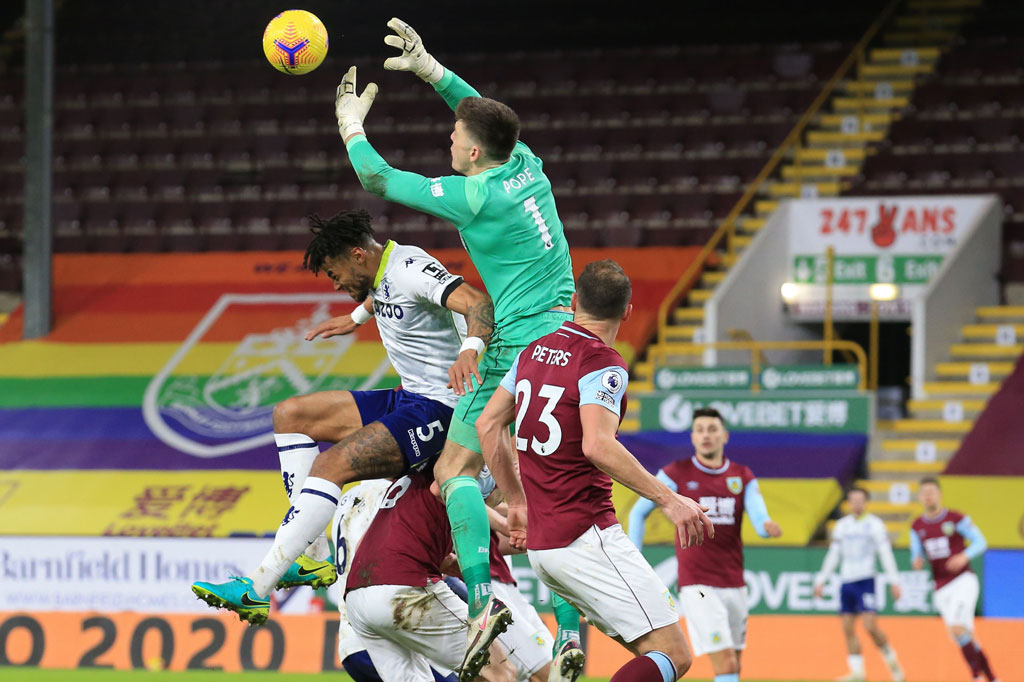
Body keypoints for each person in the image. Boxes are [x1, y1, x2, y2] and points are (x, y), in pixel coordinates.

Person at [334, 18, 582, 679]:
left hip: (518, 343)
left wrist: (348, 125)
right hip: (569, 338)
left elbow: (381, 181)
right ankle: (573, 631)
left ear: (473, 154)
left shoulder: (475, 196)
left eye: (454, 137)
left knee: (453, 475)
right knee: (541, 486)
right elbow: (484, 115)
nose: (449, 135)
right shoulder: (527, 165)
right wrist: (429, 68)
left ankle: (479, 604)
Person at [192, 209, 494, 625]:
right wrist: (354, 318)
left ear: (357, 254)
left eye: (335, 274)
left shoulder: (408, 267)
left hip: (443, 409)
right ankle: (313, 557)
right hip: (409, 397)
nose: (335, 285)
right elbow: (384, 293)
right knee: (291, 413)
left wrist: (470, 350)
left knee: (330, 464)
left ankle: (257, 588)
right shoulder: (384, 270)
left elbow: (477, 302)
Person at [478, 260, 714, 682]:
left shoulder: (531, 352)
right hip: (584, 536)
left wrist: (516, 500)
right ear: (627, 312)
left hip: (542, 549)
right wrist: (670, 499)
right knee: (674, 655)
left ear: (574, 302)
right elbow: (597, 444)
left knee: (650, 655)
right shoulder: (602, 363)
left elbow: (488, 424)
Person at [628, 407, 782, 682]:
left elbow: (760, 519)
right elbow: (638, 512)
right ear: (692, 437)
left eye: (712, 429)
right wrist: (634, 558)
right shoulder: (675, 473)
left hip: (734, 582)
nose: (706, 435)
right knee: (724, 661)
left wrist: (767, 528)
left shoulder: (741, 475)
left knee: (734, 662)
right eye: (700, 430)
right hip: (698, 583)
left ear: (725, 436)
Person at [344, 467, 518, 682]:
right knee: (501, 674)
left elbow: (371, 547)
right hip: (403, 589)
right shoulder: (452, 477)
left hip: (357, 598)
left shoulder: (411, 485)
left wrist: (454, 565)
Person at [813, 487, 904, 682]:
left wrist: (894, 581)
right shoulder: (841, 526)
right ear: (848, 502)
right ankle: (858, 673)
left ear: (866, 502)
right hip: (846, 581)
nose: (856, 504)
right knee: (847, 627)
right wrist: (821, 580)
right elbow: (833, 555)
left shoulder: (875, 525)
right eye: (853, 500)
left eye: (860, 500)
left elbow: (885, 554)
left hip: (866, 579)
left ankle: (893, 662)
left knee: (870, 626)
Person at [910, 477, 997, 682]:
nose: (928, 496)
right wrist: (917, 559)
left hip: (963, 580)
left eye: (932, 491)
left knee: (957, 628)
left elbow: (981, 541)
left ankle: (976, 677)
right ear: (920, 497)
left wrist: (964, 556)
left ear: (939, 494)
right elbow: (917, 552)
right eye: (925, 493)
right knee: (963, 637)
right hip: (941, 588)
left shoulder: (955, 518)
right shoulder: (917, 526)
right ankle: (993, 678)